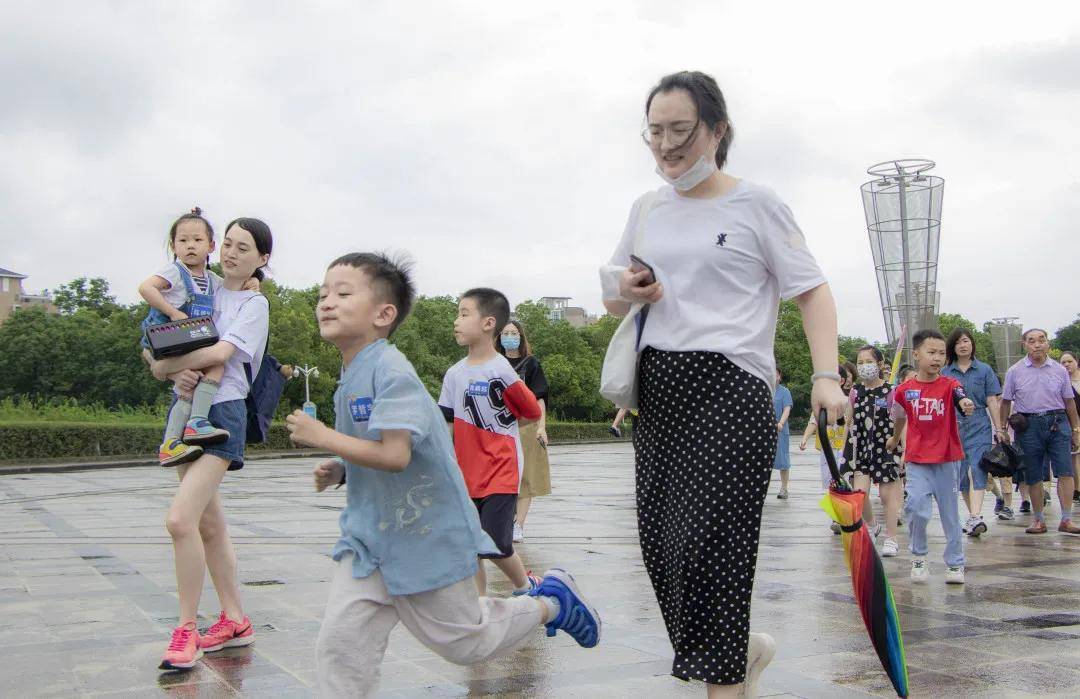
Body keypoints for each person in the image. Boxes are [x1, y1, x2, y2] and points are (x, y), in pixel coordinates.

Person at [600, 70, 847, 698]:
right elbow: (612, 298)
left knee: (714, 548)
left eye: (680, 130)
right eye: (653, 131)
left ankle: (724, 682)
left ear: (717, 130)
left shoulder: (756, 204)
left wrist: (824, 377)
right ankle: (741, 652)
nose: (665, 145)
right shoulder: (647, 209)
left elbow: (812, 292)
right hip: (658, 390)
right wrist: (626, 290)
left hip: (729, 389)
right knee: (664, 548)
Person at [283, 254, 598, 697]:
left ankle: (550, 602)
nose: (326, 303)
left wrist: (324, 437)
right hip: (371, 538)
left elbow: (394, 454)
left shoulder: (392, 371)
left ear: (383, 314)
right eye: (322, 294)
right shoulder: (350, 375)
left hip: (426, 535)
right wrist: (343, 469)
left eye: (342, 293)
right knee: (341, 646)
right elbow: (386, 449)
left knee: (466, 641)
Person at [143, 218, 274, 670]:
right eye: (230, 245)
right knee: (208, 526)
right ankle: (235, 620)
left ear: (262, 259)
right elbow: (154, 338)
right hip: (184, 411)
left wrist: (167, 367)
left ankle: (185, 629)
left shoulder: (255, 305)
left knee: (180, 520)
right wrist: (166, 368)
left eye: (245, 248)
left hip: (222, 415)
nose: (233, 254)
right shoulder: (202, 286)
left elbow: (220, 354)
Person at [440, 288, 544, 596]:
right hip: (466, 474)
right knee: (471, 544)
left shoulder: (503, 371)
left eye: (463, 314)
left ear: (488, 323)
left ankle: (526, 586)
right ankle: (479, 606)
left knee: (496, 543)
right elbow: (444, 420)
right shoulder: (454, 374)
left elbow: (530, 412)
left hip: (501, 471)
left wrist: (501, 430)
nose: (456, 321)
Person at [139, 208, 252, 466]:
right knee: (211, 368)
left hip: (186, 340)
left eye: (197, 240)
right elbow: (146, 287)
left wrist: (253, 282)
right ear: (173, 246)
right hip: (167, 336)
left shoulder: (211, 279)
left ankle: (176, 438)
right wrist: (173, 312)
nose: (190, 246)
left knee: (192, 383)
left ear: (211, 246)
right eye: (183, 240)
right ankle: (194, 424)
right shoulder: (174, 272)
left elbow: (234, 286)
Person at [887, 330, 976, 585]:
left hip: (947, 459)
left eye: (941, 354)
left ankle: (955, 563)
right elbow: (899, 416)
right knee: (916, 508)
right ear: (916, 354)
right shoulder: (904, 390)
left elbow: (962, 399)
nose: (937, 358)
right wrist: (894, 439)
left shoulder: (950, 385)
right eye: (931, 352)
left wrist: (967, 404)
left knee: (950, 514)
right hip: (917, 460)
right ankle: (918, 556)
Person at [998, 329, 1080, 534]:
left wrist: (1076, 429)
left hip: (1057, 421)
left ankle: (1066, 519)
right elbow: (1005, 402)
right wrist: (1002, 429)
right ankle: (1038, 519)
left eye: (1041, 340)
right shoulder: (1014, 371)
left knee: (1065, 470)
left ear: (1048, 344)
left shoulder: (1060, 370)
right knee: (1033, 473)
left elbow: (1069, 402)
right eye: (1032, 341)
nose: (1037, 345)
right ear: (1024, 344)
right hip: (1028, 425)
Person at [942, 329, 1004, 537]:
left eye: (966, 341)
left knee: (978, 467)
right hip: (954, 425)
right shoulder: (945, 373)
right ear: (953, 347)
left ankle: (976, 515)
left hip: (979, 423)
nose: (963, 345)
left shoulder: (984, 370)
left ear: (972, 344)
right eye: (958, 342)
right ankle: (973, 517)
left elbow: (992, 401)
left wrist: (999, 428)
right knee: (961, 473)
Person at [497, 320, 551, 542]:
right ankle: (502, 521)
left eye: (514, 332)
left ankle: (518, 525)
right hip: (498, 427)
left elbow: (539, 398)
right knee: (501, 477)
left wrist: (541, 427)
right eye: (506, 332)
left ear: (521, 337)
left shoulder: (531, 364)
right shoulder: (493, 363)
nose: (510, 336)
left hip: (526, 426)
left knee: (526, 476)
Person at [848, 346, 902, 557]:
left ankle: (891, 538)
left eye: (868, 362)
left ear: (880, 365)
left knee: (888, 496)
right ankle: (872, 526)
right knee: (859, 495)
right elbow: (849, 421)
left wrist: (899, 443)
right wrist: (846, 450)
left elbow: (900, 420)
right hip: (861, 448)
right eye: (860, 363)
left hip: (885, 446)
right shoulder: (855, 392)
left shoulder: (891, 391)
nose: (864, 367)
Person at [1060, 351, 1080, 503]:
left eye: (1069, 361)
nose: (1067, 365)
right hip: (1071, 423)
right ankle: (1077, 489)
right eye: (1063, 362)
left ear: (1076, 361)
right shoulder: (1061, 381)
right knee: (1074, 458)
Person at [772, 368, 794, 499]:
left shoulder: (785, 392)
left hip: (780, 431)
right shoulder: (763, 390)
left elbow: (787, 409)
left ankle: (784, 488)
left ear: (779, 376)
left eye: (775, 374)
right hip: (764, 431)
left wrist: (780, 423)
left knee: (783, 461)